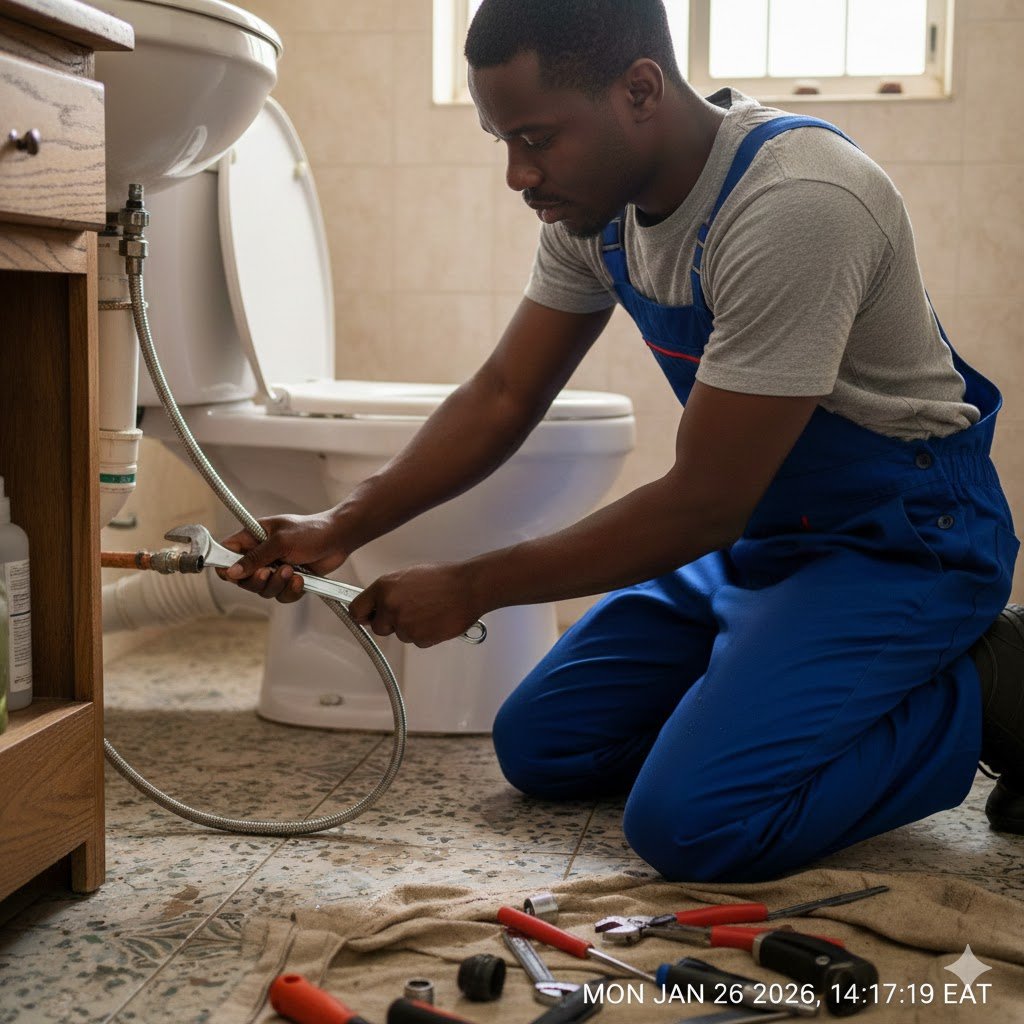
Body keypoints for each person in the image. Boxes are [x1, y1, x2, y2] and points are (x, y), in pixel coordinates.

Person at [219, 0, 1024, 882]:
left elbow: (705, 502)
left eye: (537, 138)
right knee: (545, 746)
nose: (518, 174)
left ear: (640, 89)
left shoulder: (797, 202)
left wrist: (474, 586)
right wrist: (343, 523)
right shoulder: (597, 211)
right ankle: (770, 689)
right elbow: (504, 394)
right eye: (503, 142)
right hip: (766, 538)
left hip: (902, 540)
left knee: (695, 825)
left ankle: (988, 685)